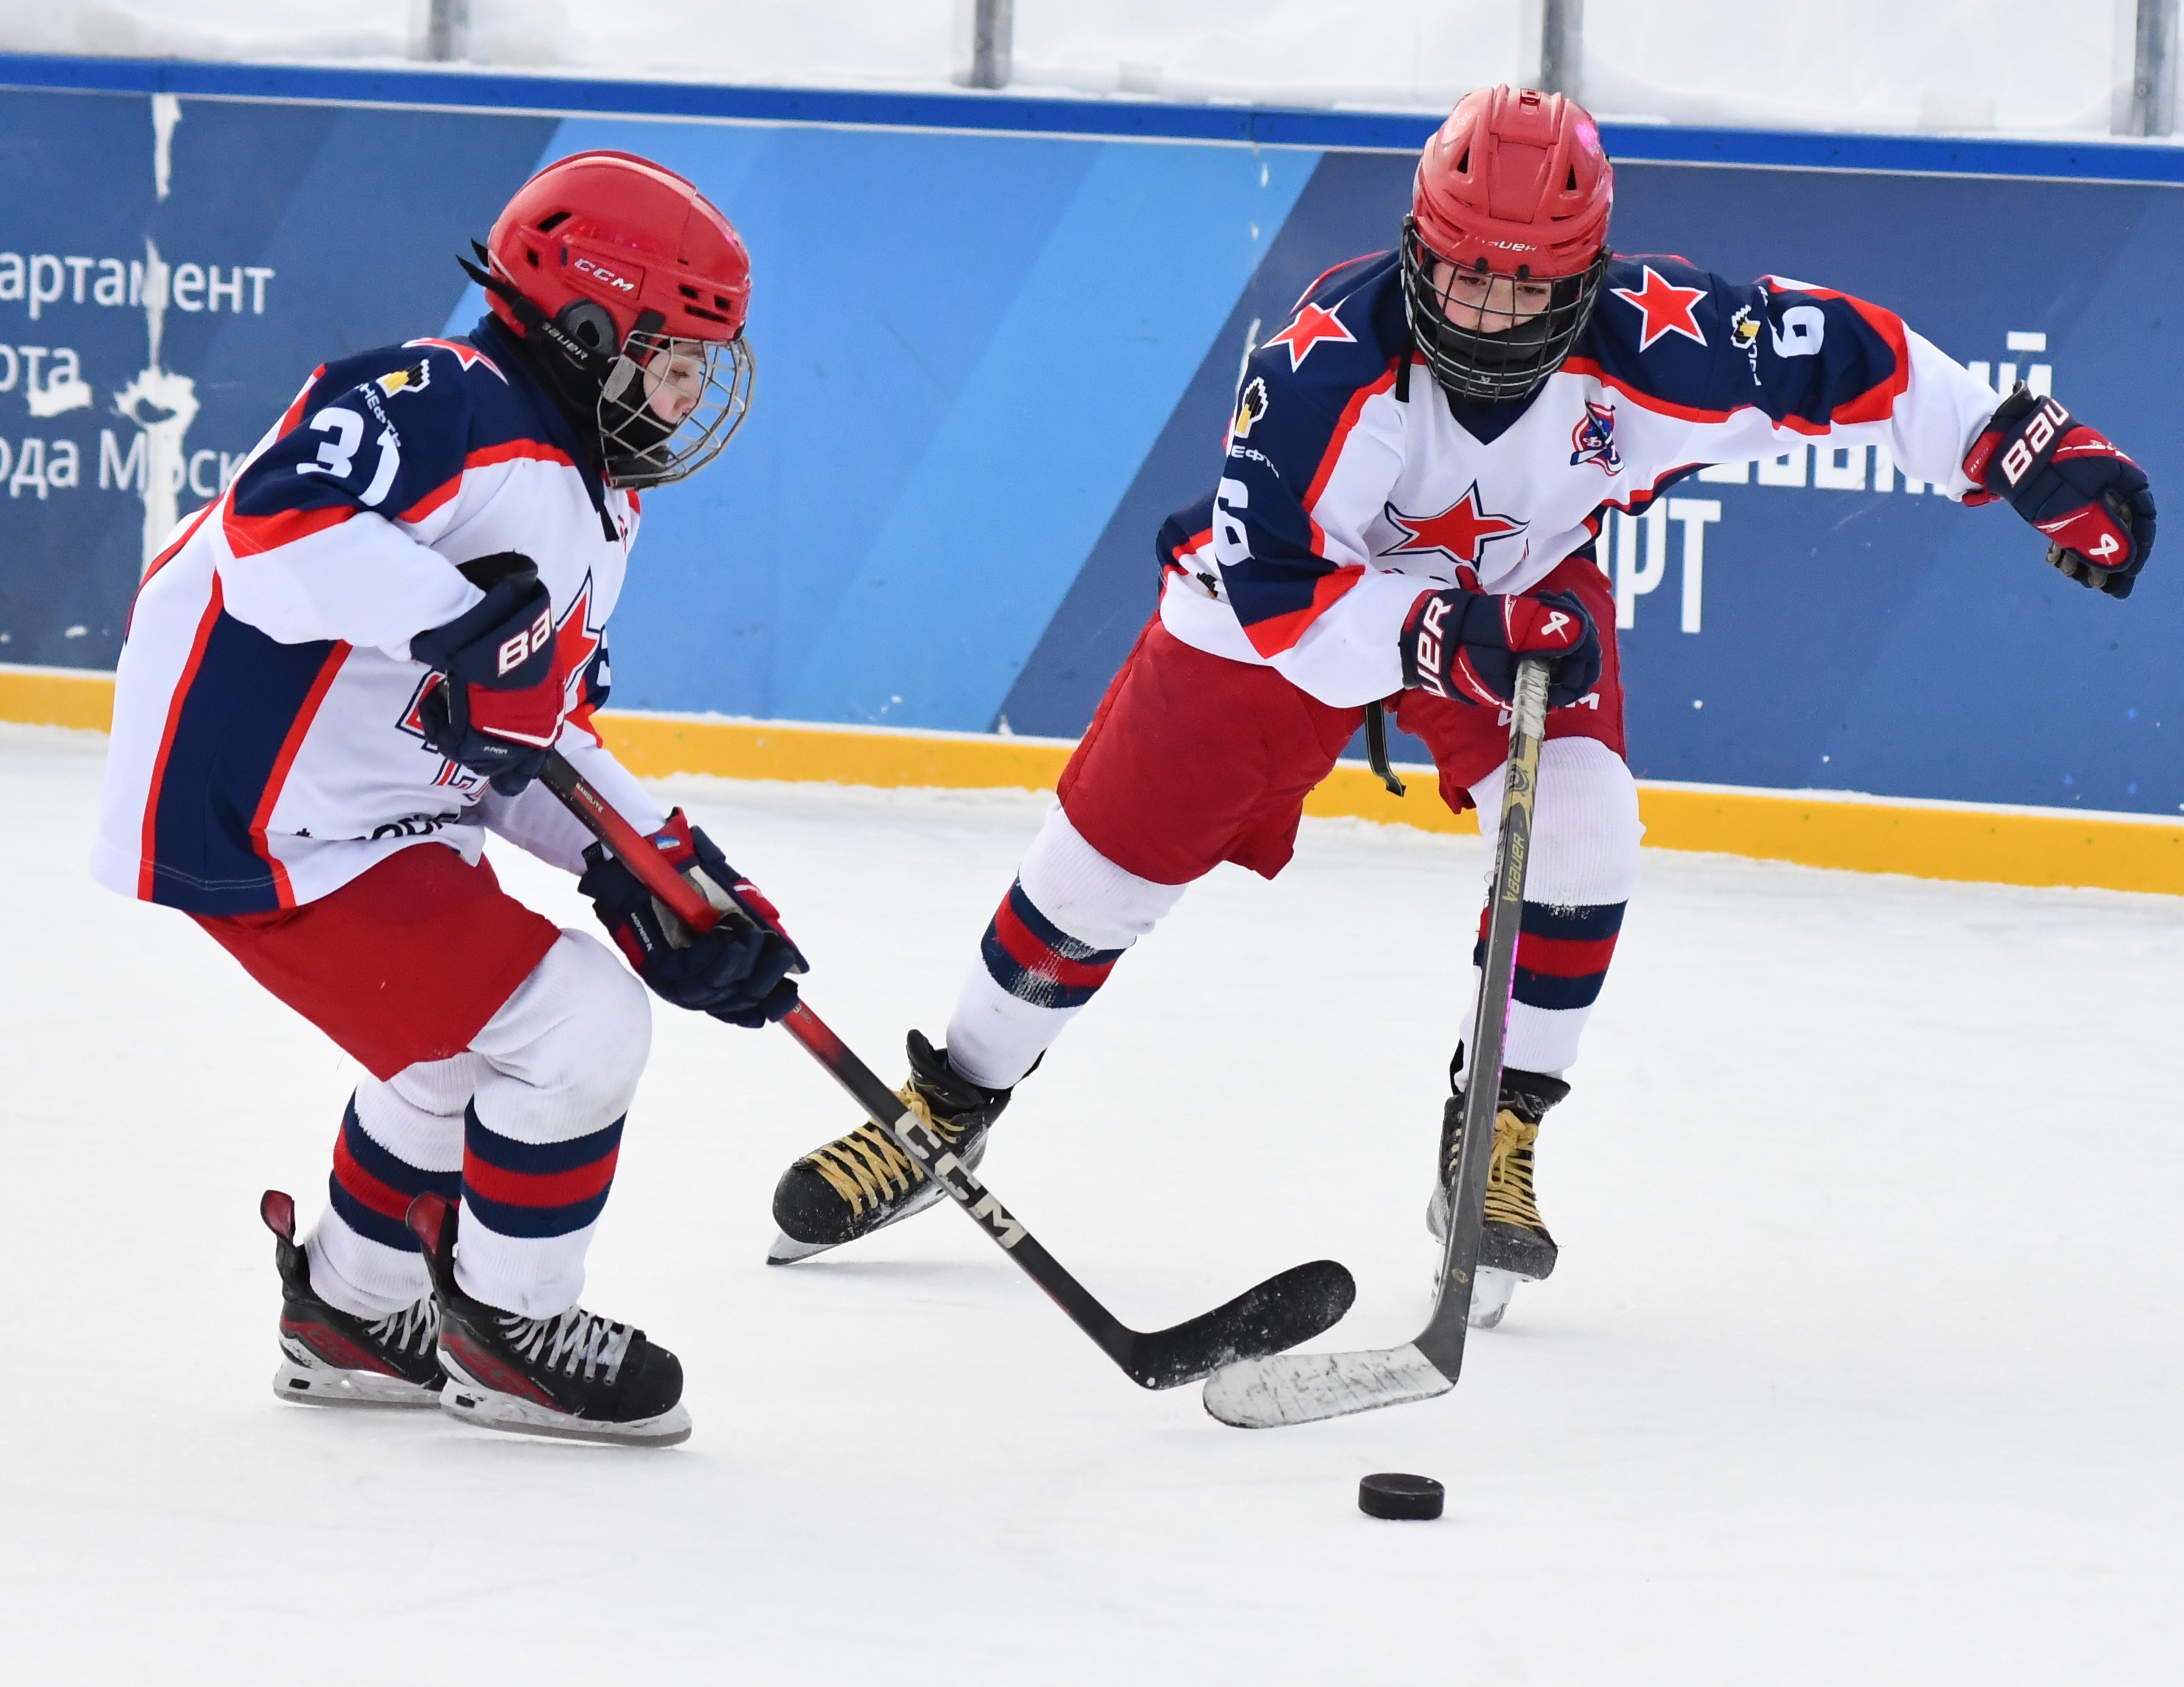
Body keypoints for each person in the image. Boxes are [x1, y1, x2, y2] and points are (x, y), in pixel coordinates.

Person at [767, 85, 2155, 1322]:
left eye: (1521, 287)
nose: (1483, 308)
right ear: (1419, 242)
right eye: (1459, 276)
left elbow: (1856, 359)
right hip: (1296, 617)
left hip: (1520, 596)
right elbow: (1277, 601)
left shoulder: (1667, 340)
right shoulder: (1324, 361)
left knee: (1592, 835)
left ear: (1584, 278)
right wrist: (1443, 639)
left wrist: (2023, 448)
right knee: (1099, 871)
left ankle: (1497, 1120)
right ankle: (948, 1103)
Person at [92, 151, 806, 1446]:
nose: (695, 387)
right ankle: (514, 1330)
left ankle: (355, 1314)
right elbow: (275, 525)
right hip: (259, 809)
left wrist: (659, 870)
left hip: (365, 805)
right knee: (578, 1026)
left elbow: (520, 732)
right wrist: (459, 623)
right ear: (591, 324)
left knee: (450, 1055)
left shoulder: (600, 500)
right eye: (676, 352)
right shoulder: (449, 398)